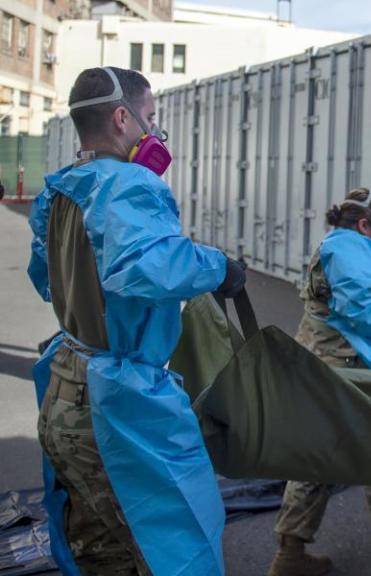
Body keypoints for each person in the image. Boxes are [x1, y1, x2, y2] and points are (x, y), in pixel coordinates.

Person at [28, 67, 246, 575]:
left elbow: (45, 281)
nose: (154, 133)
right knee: (174, 545)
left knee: (102, 552)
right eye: (150, 119)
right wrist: (219, 268)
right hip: (116, 406)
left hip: (65, 388)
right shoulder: (129, 184)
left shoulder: (61, 190)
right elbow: (146, 266)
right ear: (122, 118)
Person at [268, 188, 371, 576]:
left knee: (322, 454)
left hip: (320, 362)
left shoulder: (335, 244)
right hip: (345, 367)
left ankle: (293, 552)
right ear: (365, 223)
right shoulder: (350, 250)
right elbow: (361, 308)